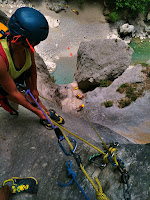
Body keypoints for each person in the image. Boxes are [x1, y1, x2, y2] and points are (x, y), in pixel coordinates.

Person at [0, 7, 65, 129]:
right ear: (19, 39)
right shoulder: (1, 59)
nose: (36, 44)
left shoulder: (27, 47)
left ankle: (46, 113)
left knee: (34, 99)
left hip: (16, 77)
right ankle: (44, 114)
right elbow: (13, 92)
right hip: (3, 85)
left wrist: (34, 89)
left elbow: (31, 68)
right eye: (36, 42)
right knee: (14, 104)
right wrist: (38, 113)